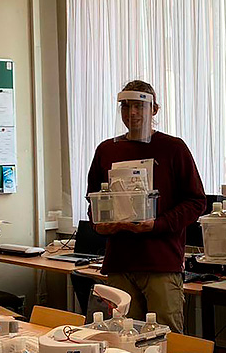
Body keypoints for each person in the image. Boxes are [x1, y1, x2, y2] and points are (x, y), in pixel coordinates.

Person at [81, 81, 205, 333]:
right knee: (121, 337)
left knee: (165, 338)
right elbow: (94, 199)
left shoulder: (173, 148)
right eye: (126, 107)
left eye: (139, 106)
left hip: (161, 264)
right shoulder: (107, 149)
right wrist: (99, 224)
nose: (132, 113)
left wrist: (157, 224)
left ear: (154, 109)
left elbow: (196, 202)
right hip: (120, 263)